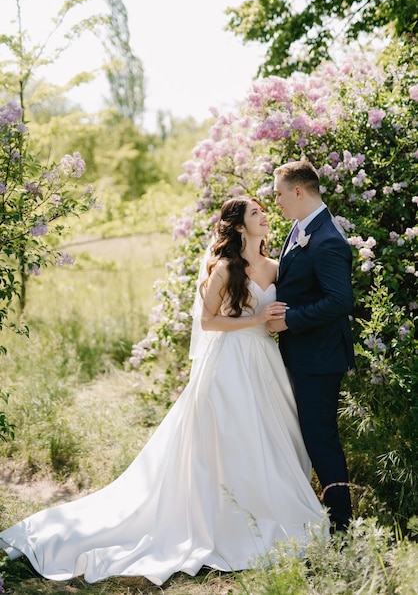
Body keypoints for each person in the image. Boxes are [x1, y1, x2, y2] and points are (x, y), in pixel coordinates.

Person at [0, 196, 326, 587]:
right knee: (232, 439)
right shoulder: (225, 268)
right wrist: (256, 318)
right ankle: (224, 522)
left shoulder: (275, 267)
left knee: (273, 439)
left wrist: (279, 322)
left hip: (265, 364)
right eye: (256, 213)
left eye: (262, 210)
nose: (265, 216)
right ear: (239, 226)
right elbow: (207, 321)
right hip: (229, 364)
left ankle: (268, 512)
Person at [268, 159, 355, 534]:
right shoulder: (299, 229)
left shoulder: (327, 239)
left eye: (280, 194)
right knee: (308, 435)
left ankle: (343, 526)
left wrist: (290, 320)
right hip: (299, 354)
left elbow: (341, 300)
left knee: (321, 437)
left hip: (319, 357)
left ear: (298, 191)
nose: (277, 201)